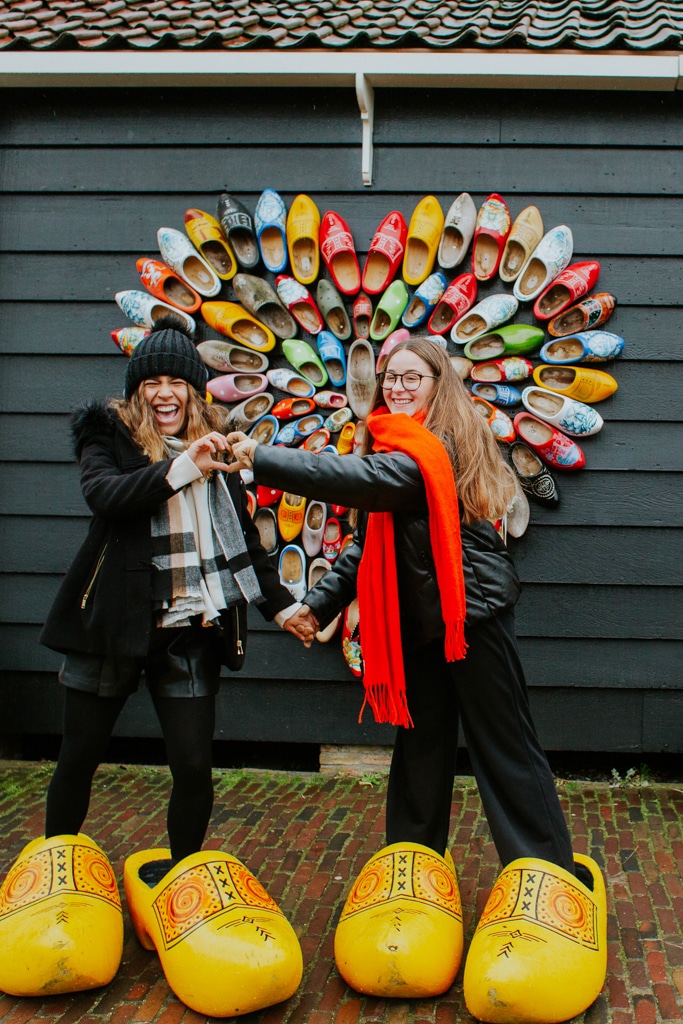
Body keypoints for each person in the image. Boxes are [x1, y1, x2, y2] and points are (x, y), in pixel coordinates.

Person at [38, 316, 306, 880]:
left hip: (191, 625)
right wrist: (183, 467)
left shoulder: (217, 447)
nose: (165, 393)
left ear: (194, 389)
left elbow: (246, 541)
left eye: (176, 382)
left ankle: (184, 880)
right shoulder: (106, 433)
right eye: (151, 383)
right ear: (137, 391)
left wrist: (282, 607)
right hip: (112, 625)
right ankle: (54, 872)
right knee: (78, 758)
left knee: (193, 766)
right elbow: (105, 497)